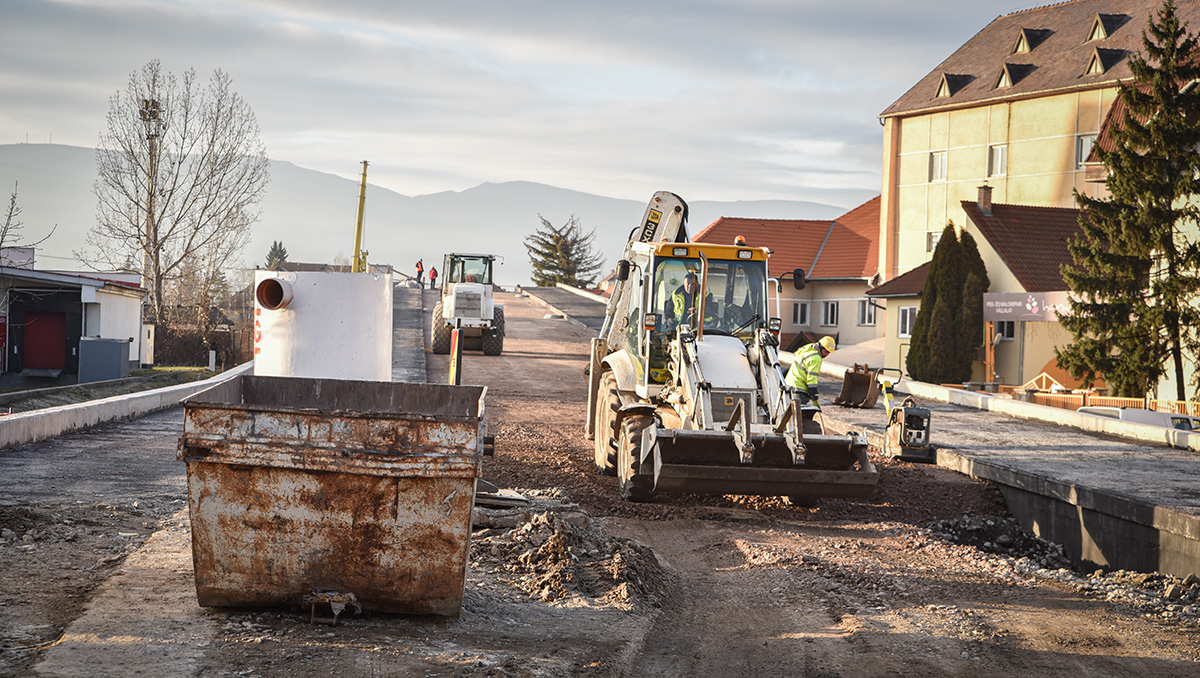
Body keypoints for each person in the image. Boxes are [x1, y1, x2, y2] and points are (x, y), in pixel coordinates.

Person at [786, 336, 836, 405]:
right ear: (820, 347)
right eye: (826, 351)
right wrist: (814, 394)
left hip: (791, 382)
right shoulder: (816, 358)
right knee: (800, 411)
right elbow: (812, 378)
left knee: (793, 409)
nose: (827, 354)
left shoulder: (809, 349)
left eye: (829, 352)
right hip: (799, 386)